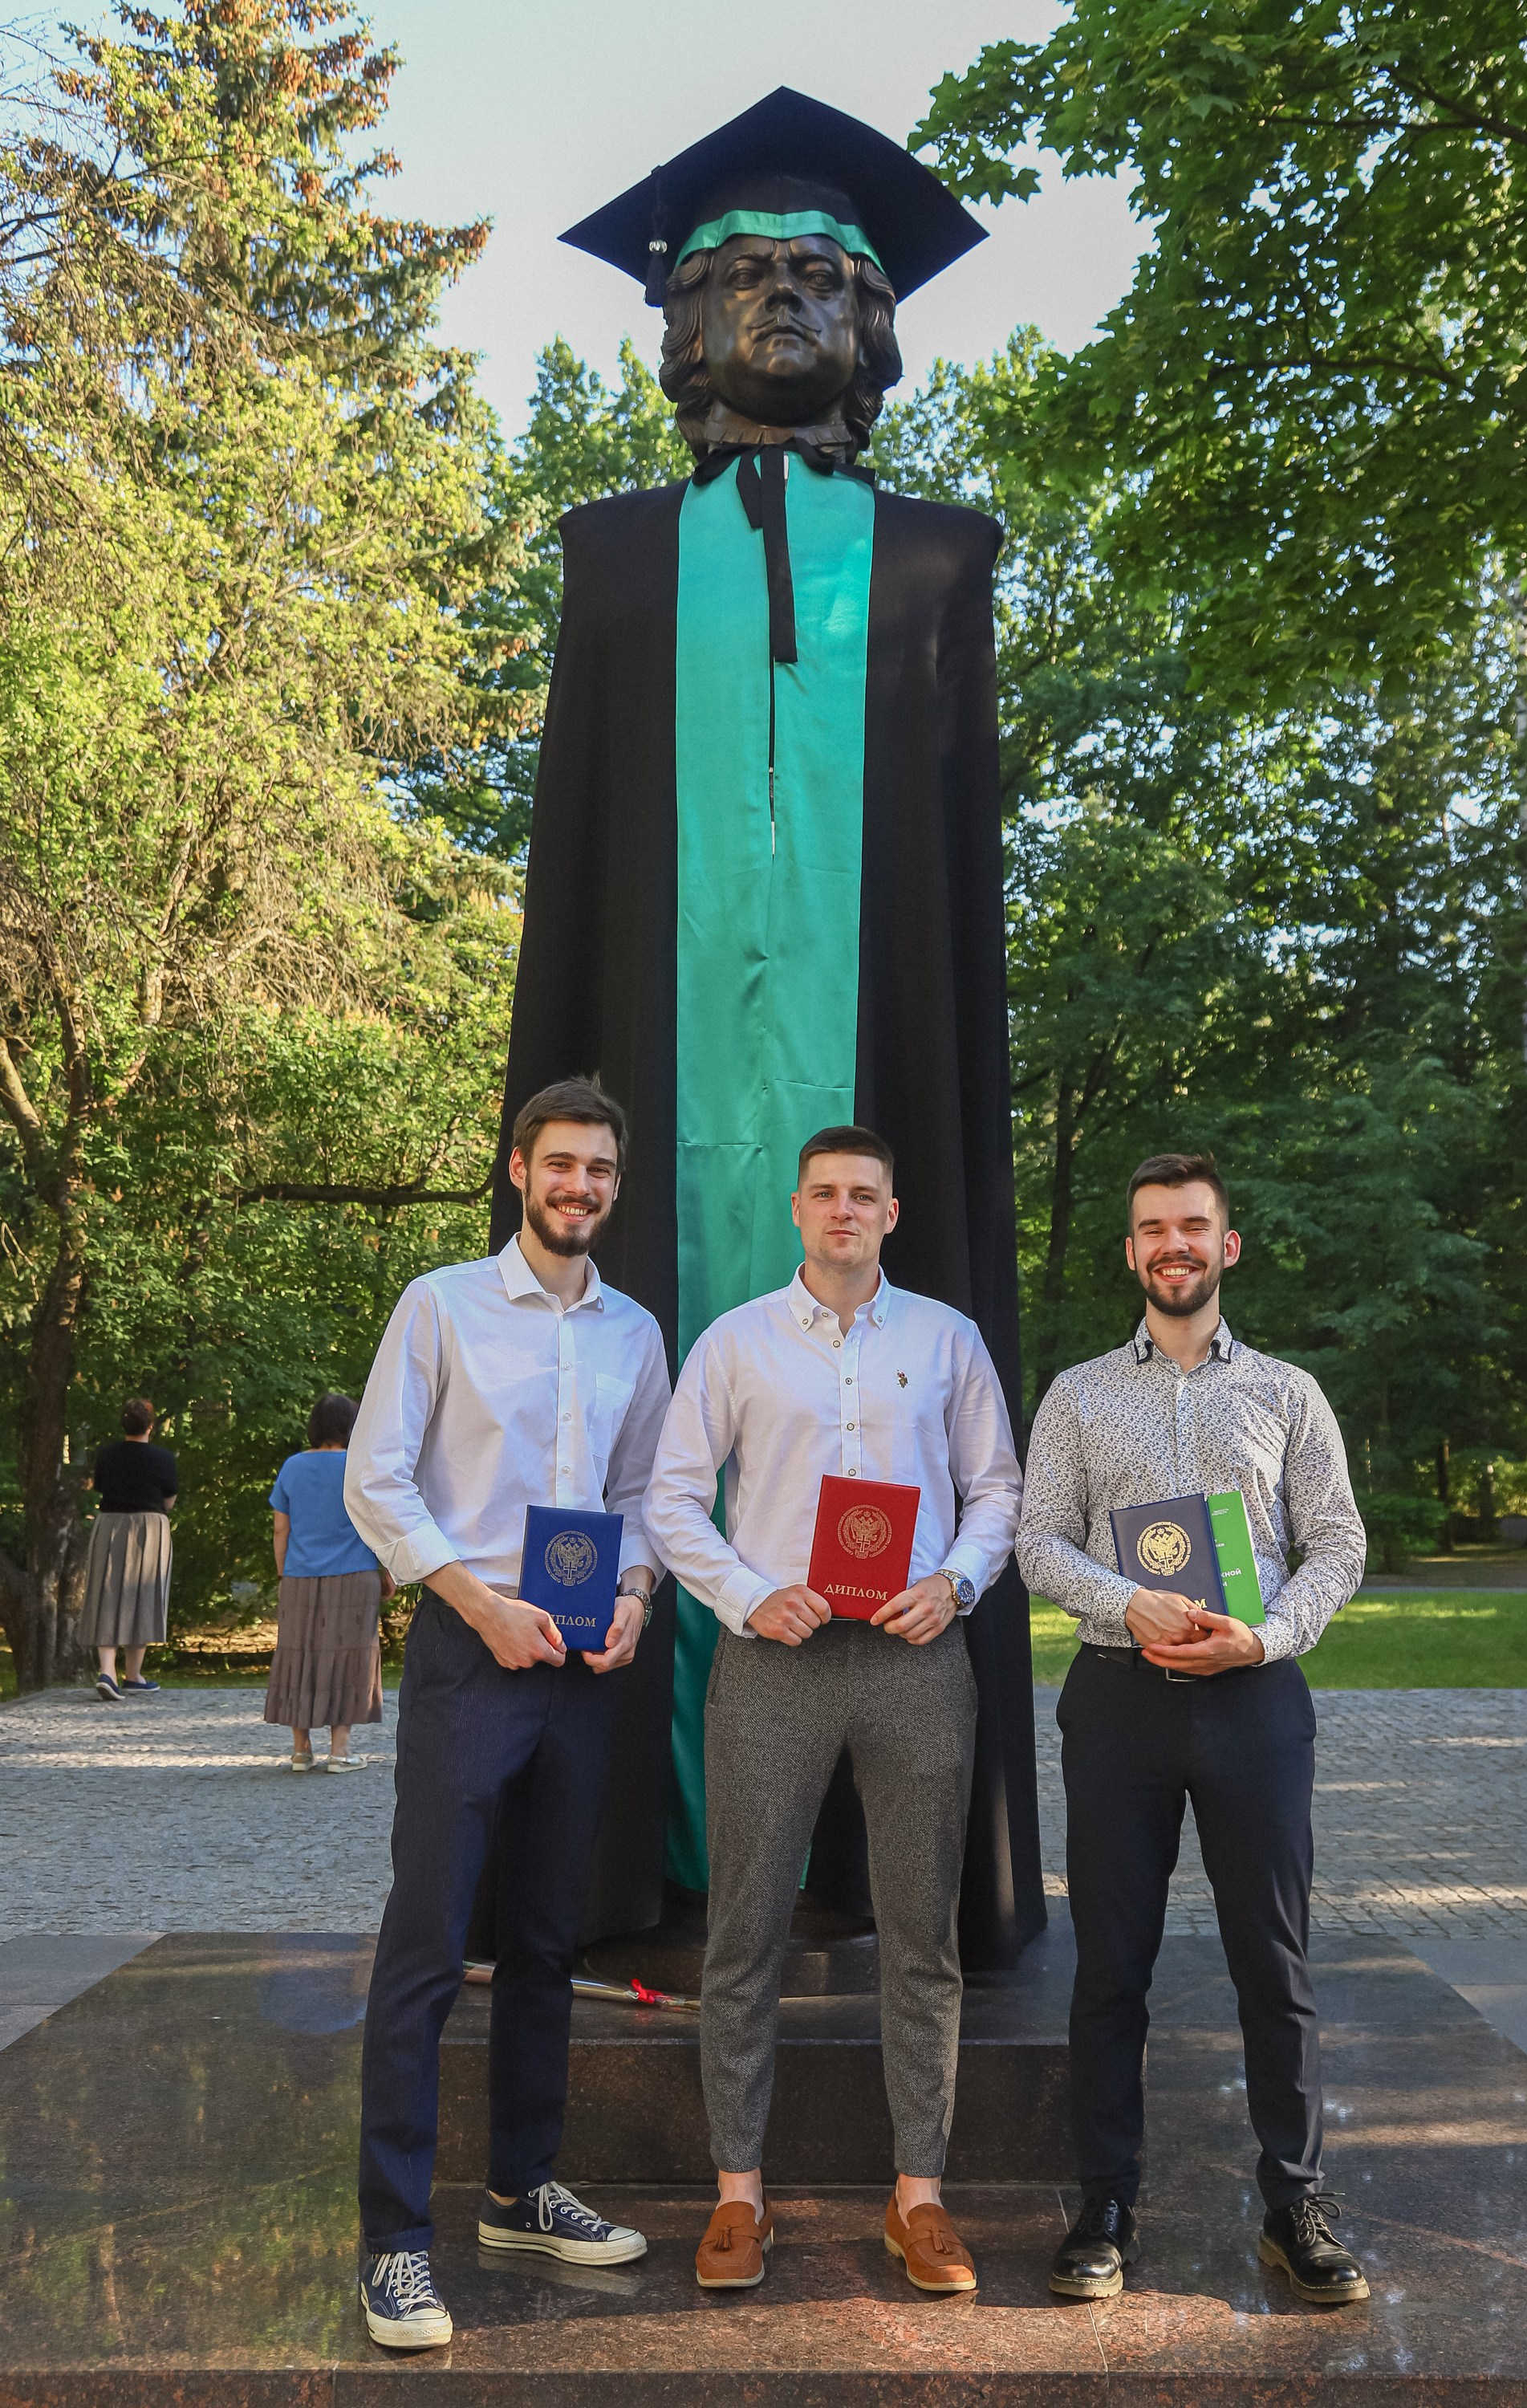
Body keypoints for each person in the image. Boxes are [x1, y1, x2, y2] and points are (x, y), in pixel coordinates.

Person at [493, 90, 1043, 1964]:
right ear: (680, 327)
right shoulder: (616, 561)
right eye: (743, 277)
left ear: (874, 332)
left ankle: (882, 1869)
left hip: (876, 1083)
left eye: (824, 279)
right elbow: (580, 872)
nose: (785, 306)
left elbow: (953, 896)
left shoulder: (939, 567)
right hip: (654, 1088)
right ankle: (616, 1853)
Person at [645, 1126, 1022, 2298]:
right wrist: (750, 1598)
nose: (844, 1212)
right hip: (775, 1662)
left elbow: (997, 1490)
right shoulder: (733, 1343)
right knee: (742, 1932)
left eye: (865, 1195)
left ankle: (918, 2196)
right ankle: (735, 2199)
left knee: (920, 1932)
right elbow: (669, 1500)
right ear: (796, 1212)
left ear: (892, 1214)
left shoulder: (945, 1340)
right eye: (824, 1195)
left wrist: (953, 1581)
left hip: (914, 1658)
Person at [343, 1076, 672, 2352]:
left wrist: (638, 1591)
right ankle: (393, 2243)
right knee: (426, 1946)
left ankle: (520, 2188)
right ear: (517, 1171)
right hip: (473, 1655)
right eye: (559, 1166)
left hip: (583, 1668)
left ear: (611, 1184)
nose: (578, 1187)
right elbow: (378, 1482)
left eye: (598, 1169)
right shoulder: (439, 1306)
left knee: (547, 1940)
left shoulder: (635, 1332)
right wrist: (479, 1608)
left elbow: (644, 1490)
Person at [1017, 1152, 1371, 2309]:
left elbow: (1338, 1546)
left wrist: (1259, 1639)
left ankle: (1292, 2201)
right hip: (1117, 1701)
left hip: (1251, 1703)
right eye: (1150, 1228)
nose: (1171, 1244)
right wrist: (1128, 1602)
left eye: (1192, 1227)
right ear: (1129, 1252)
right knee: (1109, 1968)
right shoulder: (1074, 1395)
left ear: (1225, 1246)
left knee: (1272, 1963)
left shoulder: (1284, 1394)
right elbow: (1037, 1544)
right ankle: (1105, 2200)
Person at [266, 1393, 392, 1771]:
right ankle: (340, 1750)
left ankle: (301, 1749)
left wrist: (283, 1572)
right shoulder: (360, 1467)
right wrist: (388, 1572)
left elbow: (280, 1530)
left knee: (298, 1656)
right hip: (355, 1576)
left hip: (300, 1575)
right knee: (350, 1658)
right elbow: (377, 1527)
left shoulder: (292, 1467)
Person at [81, 1397, 176, 1701]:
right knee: (145, 1593)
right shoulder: (163, 1457)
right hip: (150, 1525)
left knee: (106, 1591)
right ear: (151, 1426)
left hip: (110, 1524)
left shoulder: (107, 1454)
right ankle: (134, 1674)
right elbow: (169, 1500)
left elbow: (100, 1487)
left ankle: (108, 1671)